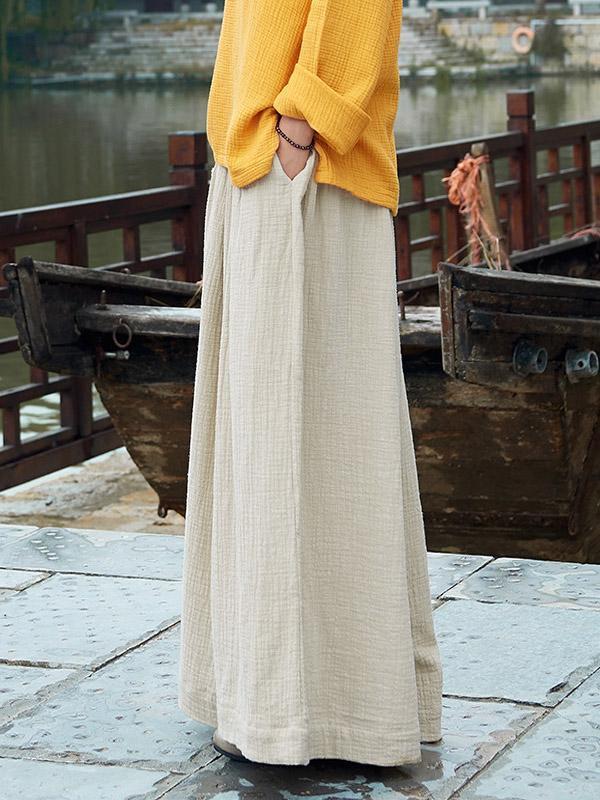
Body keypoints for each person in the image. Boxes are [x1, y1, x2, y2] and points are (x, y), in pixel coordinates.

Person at [178, 0, 443, 766]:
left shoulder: (299, 147)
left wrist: (304, 127)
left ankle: (318, 711)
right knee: (279, 446)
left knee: (312, 443)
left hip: (304, 165)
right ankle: (282, 701)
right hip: (267, 158)